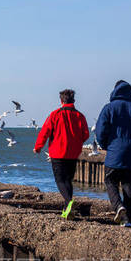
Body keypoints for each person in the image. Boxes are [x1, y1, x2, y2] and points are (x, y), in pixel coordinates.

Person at [95, 80, 131, 227]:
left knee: (110, 181)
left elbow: (100, 132)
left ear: (115, 91)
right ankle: (128, 220)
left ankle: (119, 207)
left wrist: (107, 146)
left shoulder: (108, 108)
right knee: (129, 186)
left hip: (114, 153)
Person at [33, 89, 90, 219]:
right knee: (68, 180)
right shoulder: (80, 116)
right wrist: (77, 142)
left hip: (57, 152)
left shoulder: (55, 114)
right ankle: (66, 210)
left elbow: (45, 132)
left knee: (60, 180)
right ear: (73, 101)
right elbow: (86, 134)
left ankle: (69, 202)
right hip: (73, 153)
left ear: (61, 101)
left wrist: (38, 147)